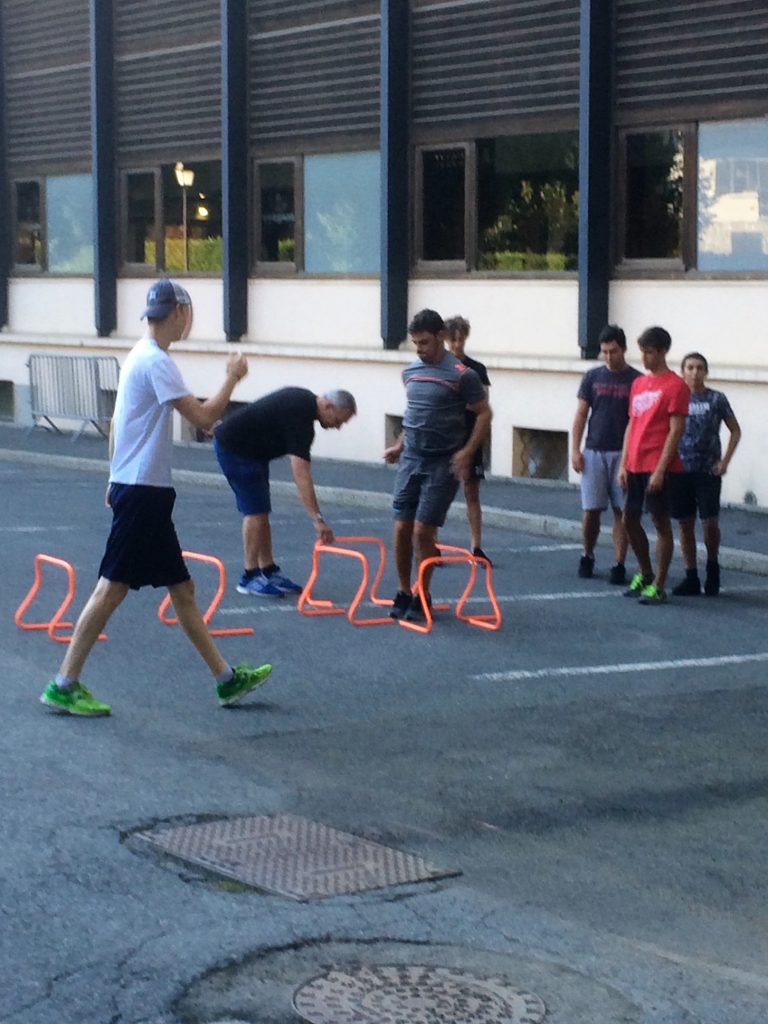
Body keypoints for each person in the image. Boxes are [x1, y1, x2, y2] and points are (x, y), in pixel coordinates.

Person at [40, 280, 273, 717]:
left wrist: (113, 478)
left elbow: (117, 423)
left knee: (182, 589)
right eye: (190, 313)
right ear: (180, 312)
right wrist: (233, 377)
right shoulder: (156, 362)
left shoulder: (139, 355)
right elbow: (204, 418)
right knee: (110, 589)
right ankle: (63, 683)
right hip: (143, 493)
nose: (190, 321)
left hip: (141, 489)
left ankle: (226, 679)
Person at [384, 309, 492, 622]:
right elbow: (415, 414)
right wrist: (399, 445)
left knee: (422, 530)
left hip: (443, 462)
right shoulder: (410, 372)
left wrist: (467, 452)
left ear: (440, 337)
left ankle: (423, 592)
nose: (419, 348)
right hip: (411, 458)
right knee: (401, 526)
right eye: (415, 343)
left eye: (425, 342)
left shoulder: (462, 375)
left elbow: (485, 414)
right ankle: (403, 591)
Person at [213, 387, 357, 596]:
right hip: (235, 449)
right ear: (327, 405)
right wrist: (317, 519)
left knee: (261, 510)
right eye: (338, 420)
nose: (338, 427)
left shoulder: (304, 406)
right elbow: (301, 474)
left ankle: (268, 569)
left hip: (253, 453)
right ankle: (249, 576)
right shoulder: (300, 414)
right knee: (254, 511)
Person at [618, 326, 690, 606]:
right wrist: (623, 463)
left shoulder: (676, 386)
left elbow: (675, 430)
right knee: (629, 519)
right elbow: (632, 424)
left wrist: (660, 469)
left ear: (662, 352)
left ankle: (659, 583)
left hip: (659, 464)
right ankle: (645, 572)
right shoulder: (638, 384)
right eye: (643, 352)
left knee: (660, 522)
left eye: (649, 352)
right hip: (635, 463)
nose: (645, 358)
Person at [571, 324, 641, 584]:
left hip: (624, 454)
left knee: (622, 511)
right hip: (594, 450)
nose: (609, 357)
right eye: (605, 352)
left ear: (624, 349)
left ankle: (619, 563)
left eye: (613, 351)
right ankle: (587, 554)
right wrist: (575, 450)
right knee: (591, 510)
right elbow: (581, 414)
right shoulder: (592, 377)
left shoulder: (636, 380)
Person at [671, 352, 741, 597]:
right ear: (682, 371)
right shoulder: (676, 397)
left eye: (699, 368)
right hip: (680, 469)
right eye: (690, 367)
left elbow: (735, 430)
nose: (694, 372)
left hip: (708, 470)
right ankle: (691, 575)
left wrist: (724, 461)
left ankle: (712, 566)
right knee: (685, 523)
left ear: (706, 372)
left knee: (709, 523)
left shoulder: (716, 399)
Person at [445, 315, 492, 563]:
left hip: (470, 434)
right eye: (452, 340)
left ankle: (476, 546)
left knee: (471, 491)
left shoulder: (476, 369)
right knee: (439, 489)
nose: (456, 345)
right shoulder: (441, 366)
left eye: (460, 340)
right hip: (445, 435)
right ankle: (431, 542)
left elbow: (482, 402)